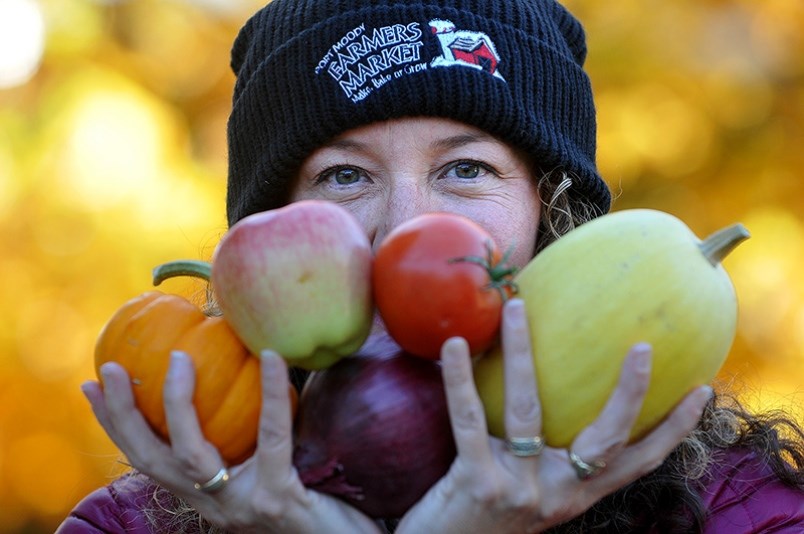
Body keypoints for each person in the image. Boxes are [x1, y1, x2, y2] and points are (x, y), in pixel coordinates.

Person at [58, 0, 804, 532]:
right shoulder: (125, 527)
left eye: (467, 169)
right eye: (344, 176)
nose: (406, 226)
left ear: (554, 213)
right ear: (263, 235)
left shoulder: (745, 513)